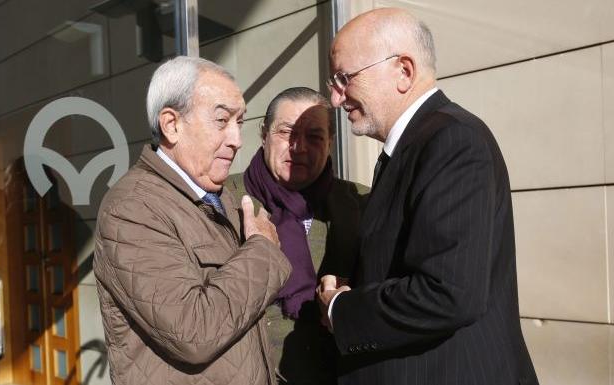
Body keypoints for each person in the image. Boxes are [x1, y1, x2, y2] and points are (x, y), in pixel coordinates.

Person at [316, 8, 539, 385]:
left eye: (344, 78)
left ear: (403, 70)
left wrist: (341, 308)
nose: (336, 99)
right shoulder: (415, 145)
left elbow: (447, 292)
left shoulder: (452, 141)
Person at [93, 56, 292, 385]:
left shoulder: (219, 195)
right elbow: (194, 332)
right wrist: (264, 250)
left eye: (239, 122)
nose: (236, 139)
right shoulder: (132, 208)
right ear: (172, 125)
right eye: (221, 120)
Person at [226, 87, 367, 384]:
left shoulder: (361, 203)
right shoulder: (223, 201)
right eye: (286, 132)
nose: (298, 147)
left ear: (330, 142)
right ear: (264, 134)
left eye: (314, 137)